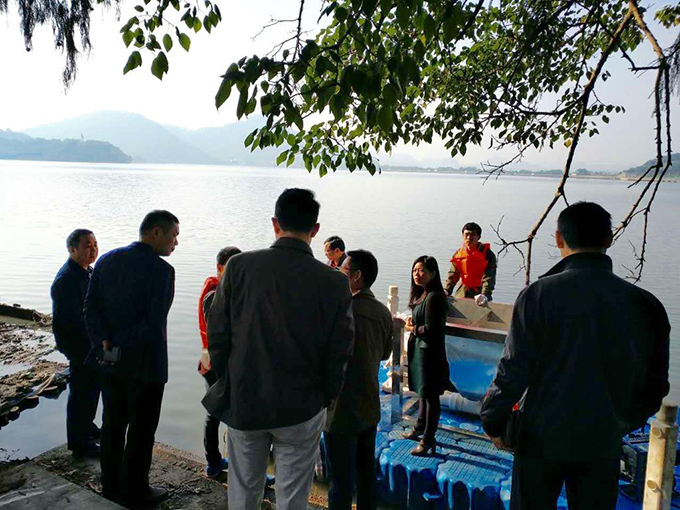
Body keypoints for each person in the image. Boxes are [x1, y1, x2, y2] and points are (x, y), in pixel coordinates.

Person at [480, 202, 670, 510]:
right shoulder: (645, 305)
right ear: (609, 238)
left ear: (558, 239)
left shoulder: (537, 296)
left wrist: (493, 420)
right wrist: (622, 422)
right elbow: (656, 385)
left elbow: (513, 369)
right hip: (602, 440)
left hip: (540, 438)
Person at [203, 188, 354, 510]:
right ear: (315, 229)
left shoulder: (239, 267)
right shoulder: (334, 282)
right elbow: (340, 349)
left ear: (275, 223)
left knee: (244, 490)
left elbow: (217, 333)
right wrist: (326, 395)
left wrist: (229, 380)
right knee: (293, 495)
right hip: (303, 405)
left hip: (245, 399)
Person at [84, 210, 179, 505]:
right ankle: (136, 490)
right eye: (173, 235)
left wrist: (104, 342)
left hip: (109, 359)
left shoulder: (107, 260)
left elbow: (90, 307)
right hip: (146, 366)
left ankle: (110, 485)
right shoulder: (162, 271)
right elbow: (153, 324)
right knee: (142, 430)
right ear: (155, 232)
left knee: (112, 424)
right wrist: (120, 343)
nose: (176, 243)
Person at [325, 249, 393, 510]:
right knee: (366, 476)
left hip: (340, 407)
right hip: (368, 405)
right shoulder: (383, 312)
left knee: (340, 481)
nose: (338, 275)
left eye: (342, 271)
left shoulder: (339, 310)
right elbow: (385, 354)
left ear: (356, 276)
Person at [51, 228, 101, 458]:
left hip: (91, 344)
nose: (93, 250)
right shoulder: (67, 280)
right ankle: (79, 443)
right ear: (72, 249)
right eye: (87, 246)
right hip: (79, 345)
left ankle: (87, 427)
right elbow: (72, 321)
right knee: (81, 392)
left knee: (92, 389)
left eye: (95, 245)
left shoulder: (87, 271)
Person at [197, 246, 241, 478]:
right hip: (218, 366)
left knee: (215, 414)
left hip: (213, 363)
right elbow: (219, 336)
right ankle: (223, 466)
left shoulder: (224, 291)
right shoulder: (214, 295)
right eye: (232, 268)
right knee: (221, 414)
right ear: (220, 267)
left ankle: (216, 462)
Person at [403, 256, 451, 456]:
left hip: (430, 353)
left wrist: (412, 329)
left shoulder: (434, 297)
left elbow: (433, 328)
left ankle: (428, 439)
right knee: (423, 392)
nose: (417, 274)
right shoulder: (422, 294)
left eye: (422, 270)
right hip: (420, 351)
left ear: (433, 273)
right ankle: (419, 427)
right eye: (415, 270)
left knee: (431, 396)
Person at [444, 222, 497, 306]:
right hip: (462, 292)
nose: (469, 238)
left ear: (479, 237)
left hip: (480, 294)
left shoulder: (488, 255)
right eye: (466, 235)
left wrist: (485, 294)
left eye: (472, 235)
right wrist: (446, 290)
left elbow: (489, 277)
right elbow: (453, 274)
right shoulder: (458, 254)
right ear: (462, 236)